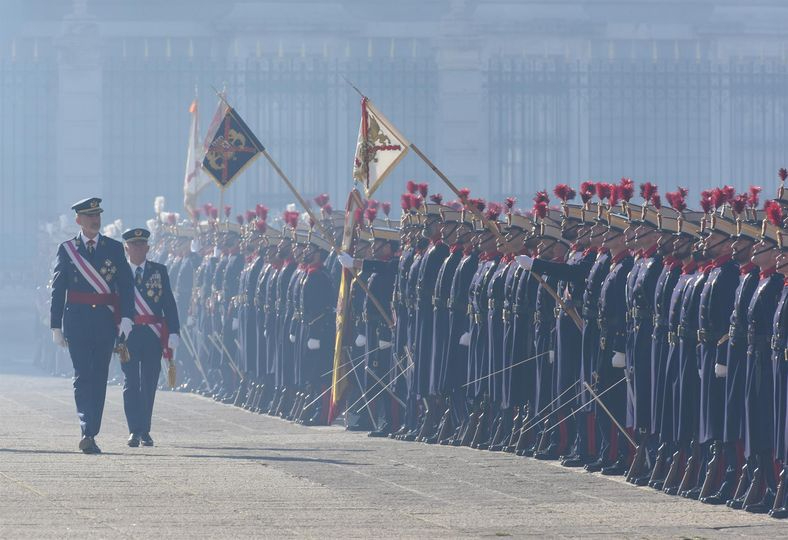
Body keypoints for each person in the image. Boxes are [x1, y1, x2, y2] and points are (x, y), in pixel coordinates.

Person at [50, 197, 135, 454]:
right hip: (76, 321)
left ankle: (91, 432)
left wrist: (127, 318)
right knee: (82, 375)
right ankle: (87, 428)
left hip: (105, 322)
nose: (95, 220)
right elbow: (58, 288)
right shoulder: (67, 249)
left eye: (97, 215)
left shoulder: (114, 248)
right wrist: (55, 325)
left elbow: (126, 286)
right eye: (89, 216)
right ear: (79, 220)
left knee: (99, 376)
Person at [120, 227, 180, 447]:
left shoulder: (159, 271)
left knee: (149, 382)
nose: (137, 249)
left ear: (147, 247)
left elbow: (169, 303)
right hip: (128, 334)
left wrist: (174, 331)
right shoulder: (120, 271)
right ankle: (133, 430)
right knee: (131, 382)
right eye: (133, 245)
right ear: (126, 248)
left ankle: (145, 430)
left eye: (141, 244)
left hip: (153, 335)